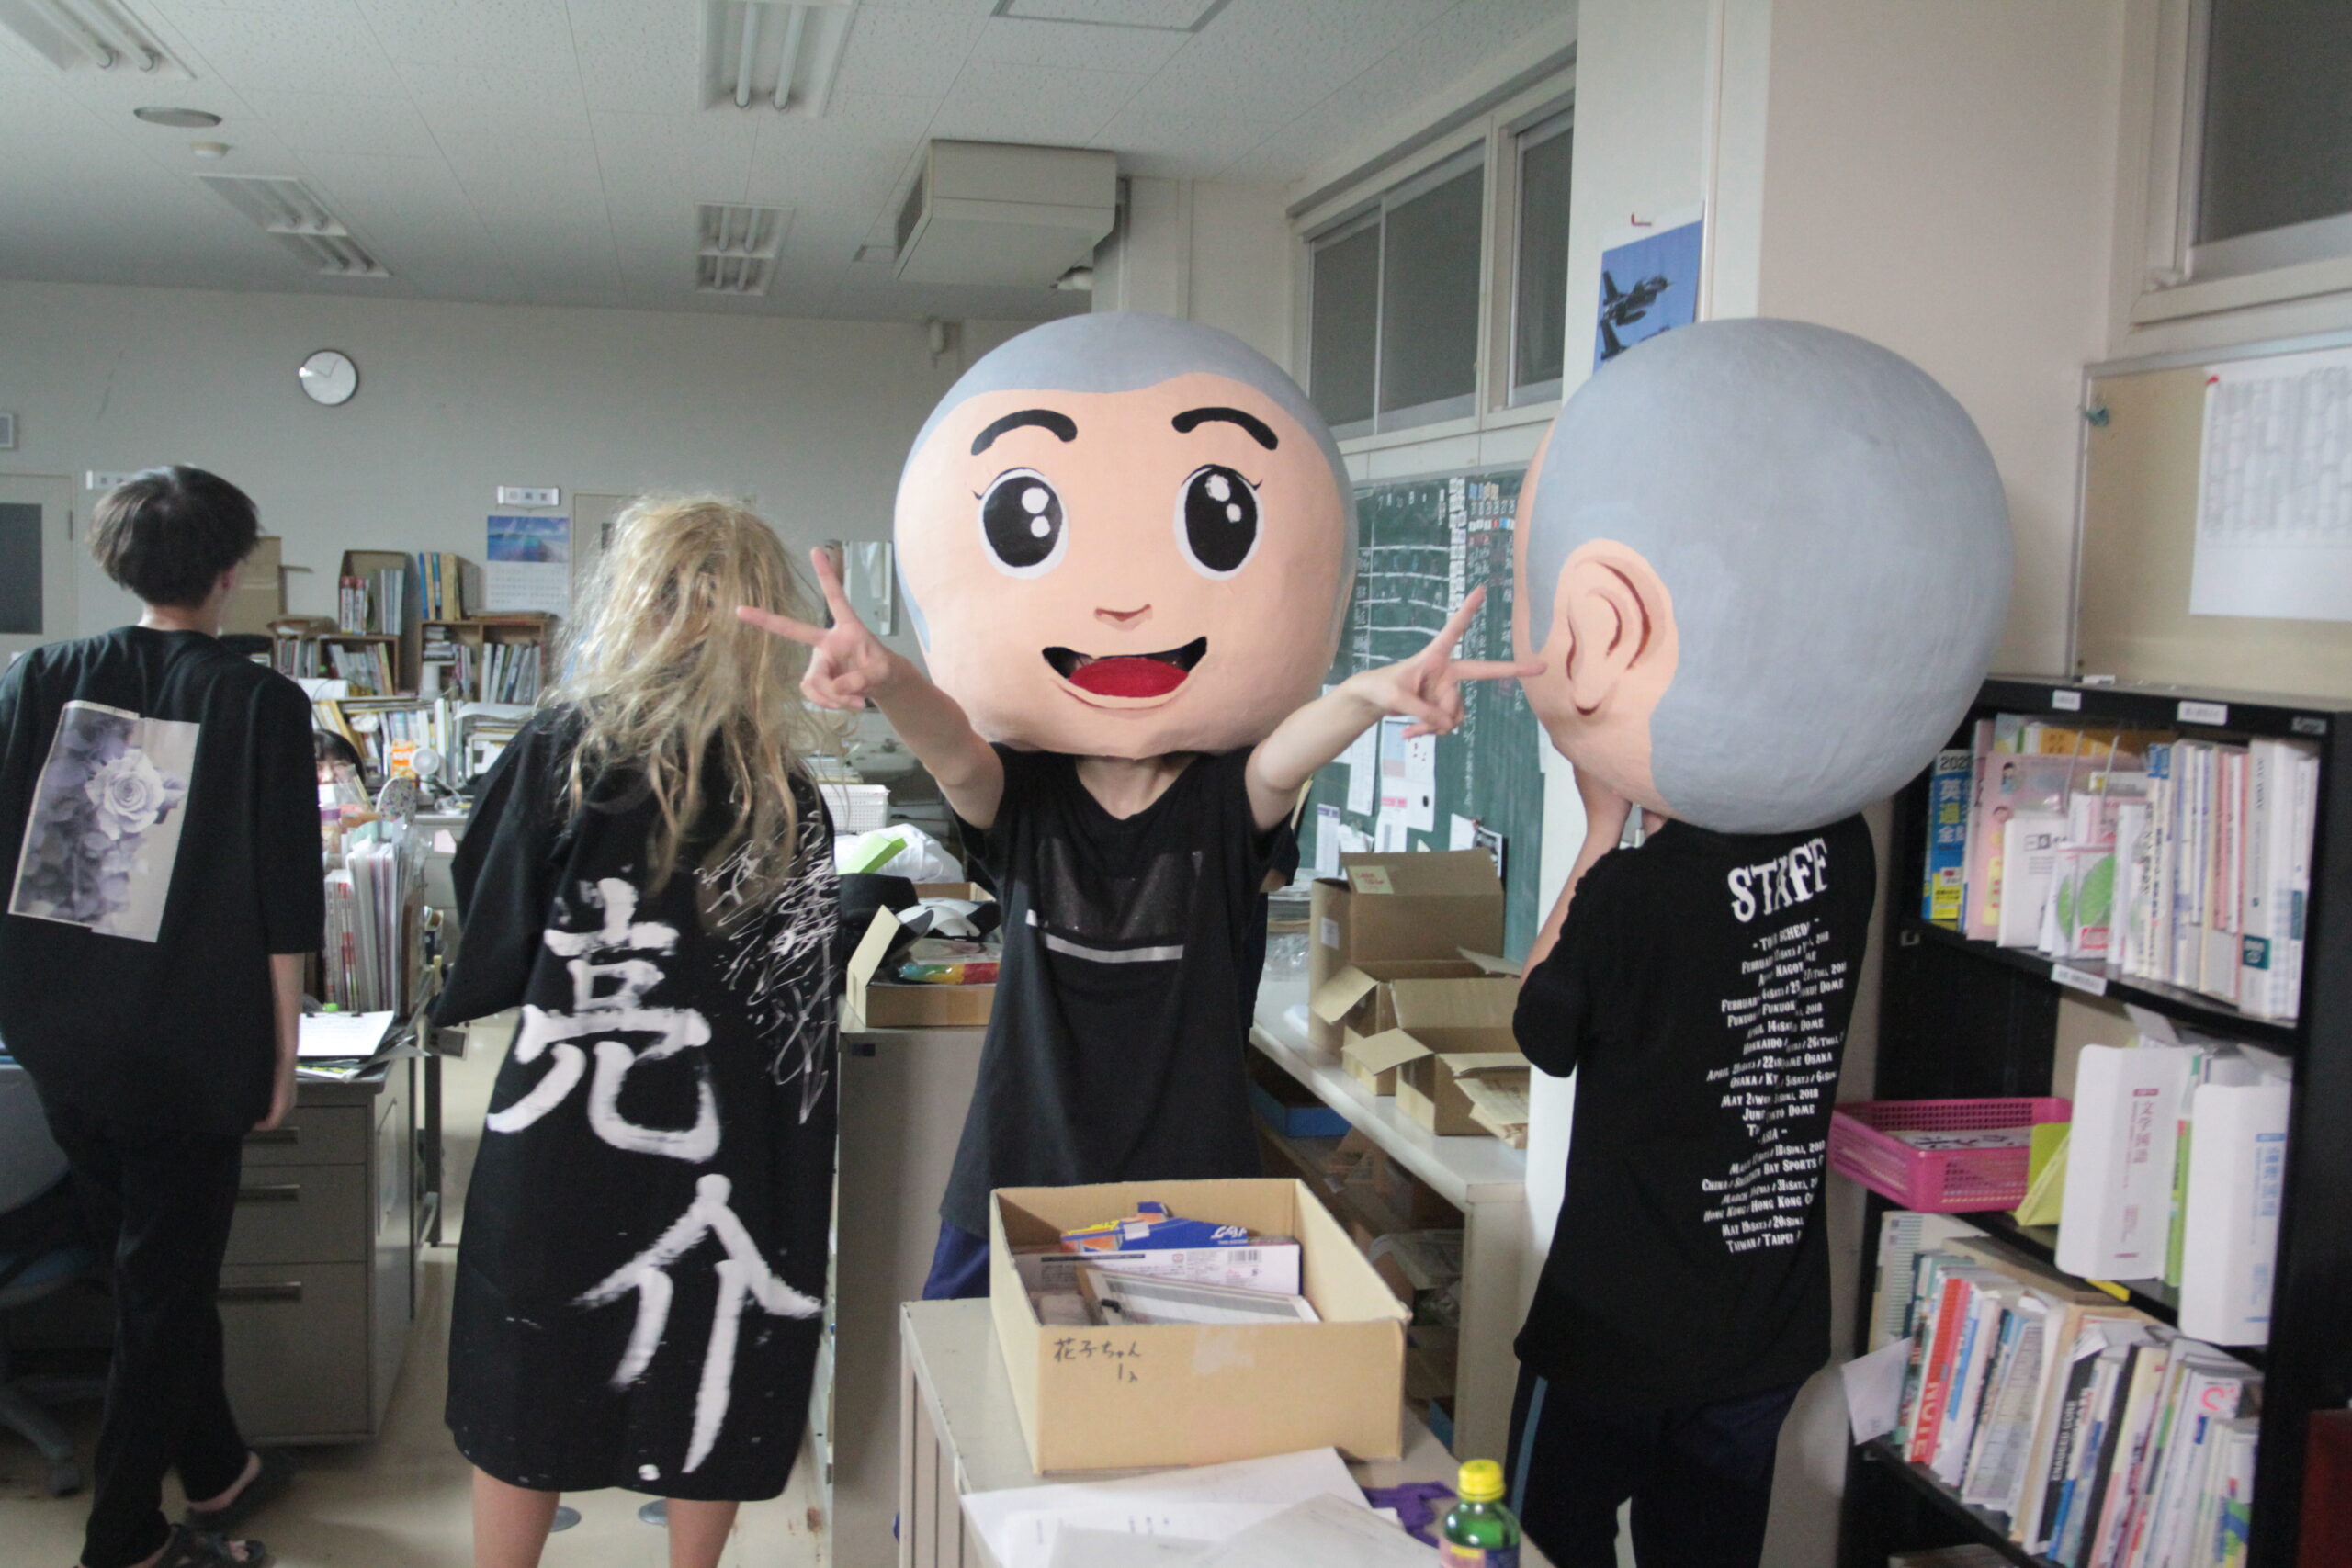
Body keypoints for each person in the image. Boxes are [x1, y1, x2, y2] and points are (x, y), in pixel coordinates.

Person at [741, 312, 1537, 1299]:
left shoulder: (1220, 804)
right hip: (1019, 1167)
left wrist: (1370, 695)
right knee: (966, 1370)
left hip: (1190, 1189)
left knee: (1177, 1390)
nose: (1122, 606)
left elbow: (1285, 758)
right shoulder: (1025, 800)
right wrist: (891, 677)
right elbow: (951, 748)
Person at [1503, 320, 2011, 1568]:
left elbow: (1540, 1028)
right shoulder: (1846, 853)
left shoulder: (1632, 895)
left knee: (1541, 1539)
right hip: (1764, 1330)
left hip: (1615, 1329)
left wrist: (1599, 830)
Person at [435, 498, 841, 1568]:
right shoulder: (784, 791)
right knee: (714, 1346)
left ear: (631, 602)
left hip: (571, 1111)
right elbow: (795, 1015)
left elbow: (494, 927)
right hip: (729, 1133)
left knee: (532, 1347)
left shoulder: (564, 752)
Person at [0, 467, 322, 1568]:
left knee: (148, 1270)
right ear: (231, 572)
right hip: (185, 1048)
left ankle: (221, 1467)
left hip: (58, 1035)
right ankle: (126, 1537)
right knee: (163, 1292)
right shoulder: (258, 701)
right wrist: (282, 1056)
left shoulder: (41, 676)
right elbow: (286, 902)